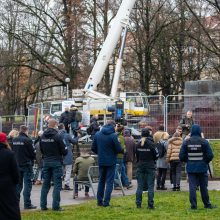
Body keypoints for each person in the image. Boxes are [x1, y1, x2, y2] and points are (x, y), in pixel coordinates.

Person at [179, 124, 216, 209]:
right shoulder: (204, 142)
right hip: (202, 168)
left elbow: (181, 156)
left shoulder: (186, 142)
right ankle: (207, 204)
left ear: (191, 131)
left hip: (191, 168)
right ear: (199, 131)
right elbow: (210, 155)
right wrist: (205, 161)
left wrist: (188, 161)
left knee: (192, 187)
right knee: (203, 187)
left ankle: (193, 205)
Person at [91, 120, 123, 207]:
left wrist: (100, 153)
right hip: (111, 161)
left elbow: (93, 148)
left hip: (101, 160)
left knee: (101, 181)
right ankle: (106, 202)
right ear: (113, 126)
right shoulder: (113, 136)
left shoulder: (97, 134)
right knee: (109, 182)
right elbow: (119, 149)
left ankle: (99, 201)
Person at [40, 119, 68, 211]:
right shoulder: (57, 136)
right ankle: (56, 206)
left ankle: (43, 206)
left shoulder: (43, 136)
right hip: (56, 162)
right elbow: (64, 151)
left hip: (46, 161)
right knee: (57, 185)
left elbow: (41, 149)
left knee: (45, 184)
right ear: (55, 125)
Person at [12, 125, 36, 209]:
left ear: (20, 130)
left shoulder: (14, 140)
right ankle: (27, 203)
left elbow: (13, 152)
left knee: (18, 185)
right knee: (27, 185)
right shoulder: (28, 140)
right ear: (26, 131)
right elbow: (32, 153)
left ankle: (15, 202)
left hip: (17, 164)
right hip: (26, 164)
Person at [135, 128, 159, 209]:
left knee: (140, 187)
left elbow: (137, 155)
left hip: (140, 166)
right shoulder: (151, 144)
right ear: (149, 134)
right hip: (150, 166)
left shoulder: (138, 143)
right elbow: (157, 155)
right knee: (150, 186)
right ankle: (150, 205)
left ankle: (138, 204)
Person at [0, 132, 21, 220]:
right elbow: (15, 172)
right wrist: (15, 182)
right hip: (7, 185)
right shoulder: (9, 153)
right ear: (5, 141)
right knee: (10, 208)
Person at [58, 123, 79, 190]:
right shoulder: (67, 135)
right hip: (67, 154)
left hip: (59, 155)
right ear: (63, 127)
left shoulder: (56, 135)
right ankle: (66, 185)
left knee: (60, 171)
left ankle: (59, 185)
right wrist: (78, 136)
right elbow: (74, 141)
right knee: (68, 170)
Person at [114, 124, 131, 190]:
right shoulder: (121, 137)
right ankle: (116, 185)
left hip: (117, 156)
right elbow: (122, 148)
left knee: (122, 170)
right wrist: (124, 150)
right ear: (122, 130)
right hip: (120, 156)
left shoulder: (115, 136)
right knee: (118, 170)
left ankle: (126, 183)